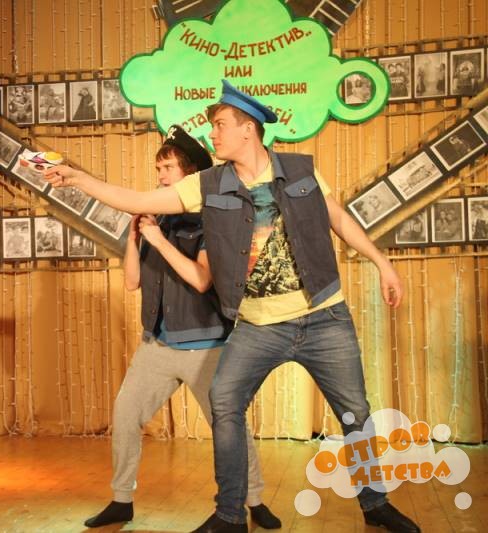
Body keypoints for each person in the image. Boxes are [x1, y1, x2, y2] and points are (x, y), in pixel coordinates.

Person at [45, 80, 420, 533]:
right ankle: (229, 515)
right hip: (259, 326)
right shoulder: (207, 185)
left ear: (248, 129)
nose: (213, 134)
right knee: (224, 401)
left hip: (323, 316)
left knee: (354, 411)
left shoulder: (299, 170)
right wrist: (79, 179)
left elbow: (337, 218)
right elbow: (139, 201)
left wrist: (382, 263)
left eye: (220, 125)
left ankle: (375, 505)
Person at [83, 125, 280, 530]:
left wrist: (157, 240)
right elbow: (132, 282)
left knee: (229, 426)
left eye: (168, 168)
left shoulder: (212, 218)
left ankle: (255, 499)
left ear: (191, 174)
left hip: (205, 346)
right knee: (125, 415)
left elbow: (201, 280)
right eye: (158, 168)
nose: (160, 176)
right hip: (156, 344)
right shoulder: (155, 220)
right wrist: (134, 236)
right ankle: (121, 499)